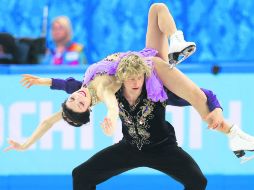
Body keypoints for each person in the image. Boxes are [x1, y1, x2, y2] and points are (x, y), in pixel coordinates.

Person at [5, 3, 254, 190]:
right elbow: (109, 103)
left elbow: (66, 87)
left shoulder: (94, 87)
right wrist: (26, 145)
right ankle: (233, 134)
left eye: (74, 99)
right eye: (80, 102)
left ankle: (178, 41)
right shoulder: (116, 91)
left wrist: (45, 81)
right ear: (90, 107)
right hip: (129, 147)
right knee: (81, 175)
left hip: (162, 147)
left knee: (197, 181)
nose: (78, 96)